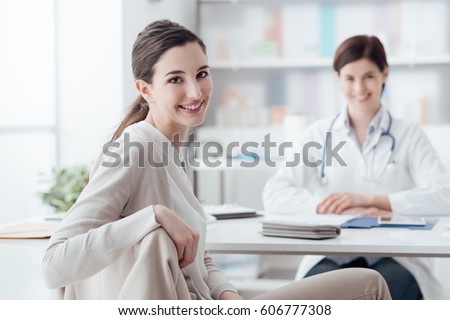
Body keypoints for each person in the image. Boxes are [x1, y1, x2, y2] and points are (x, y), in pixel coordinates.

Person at [42, 20, 391, 300]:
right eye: (176, 79)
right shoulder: (133, 149)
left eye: (202, 74)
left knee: (368, 281)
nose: (195, 92)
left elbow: (198, 257)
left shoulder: (169, 149)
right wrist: (152, 216)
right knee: (369, 288)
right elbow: (55, 264)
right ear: (145, 90)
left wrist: (228, 294)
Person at [263, 35, 450, 300]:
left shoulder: (409, 135)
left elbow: (445, 194)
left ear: (385, 74)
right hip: (333, 251)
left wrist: (377, 201)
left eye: (369, 76)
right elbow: (274, 193)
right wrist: (323, 206)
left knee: (387, 285)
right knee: (314, 293)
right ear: (338, 78)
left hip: (394, 256)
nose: (359, 87)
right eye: (350, 78)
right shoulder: (317, 135)